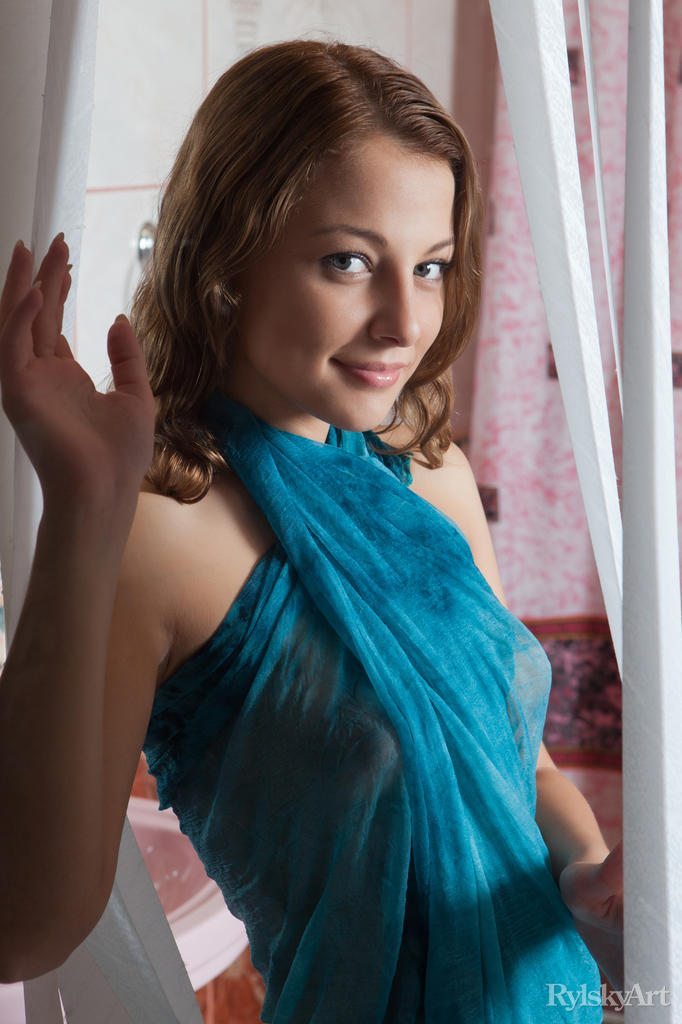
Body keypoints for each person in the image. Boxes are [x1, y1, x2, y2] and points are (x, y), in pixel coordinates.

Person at [0, 39, 623, 1022]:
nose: (403, 321)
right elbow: (24, 930)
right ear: (226, 261)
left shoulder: (431, 476)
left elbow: (520, 765)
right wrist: (82, 505)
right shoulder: (159, 536)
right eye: (349, 262)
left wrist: (589, 876)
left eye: (430, 266)